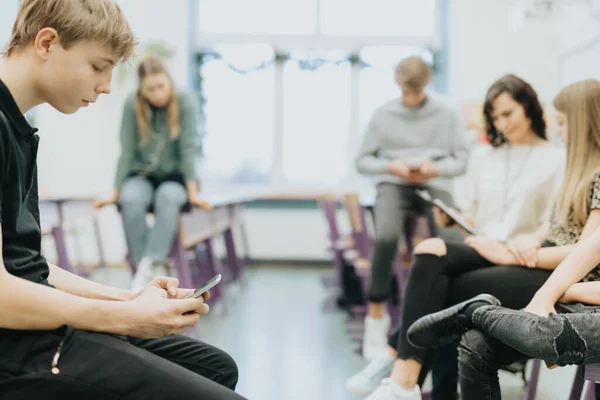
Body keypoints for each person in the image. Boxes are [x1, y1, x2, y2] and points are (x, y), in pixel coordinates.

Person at [0, 1, 243, 398]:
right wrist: (125, 317)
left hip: (39, 330)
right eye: (98, 66)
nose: (107, 86)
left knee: (216, 366)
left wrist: (131, 297)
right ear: (47, 43)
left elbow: (27, 266)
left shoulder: (16, 126)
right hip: (17, 348)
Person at [348, 74, 598, 400]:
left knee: (446, 289)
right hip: (529, 252)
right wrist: (528, 242)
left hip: (549, 267)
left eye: (563, 123)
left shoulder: (572, 167)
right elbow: (553, 228)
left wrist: (515, 252)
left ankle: (402, 373)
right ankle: (403, 376)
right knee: (430, 250)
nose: (559, 130)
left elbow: (585, 250)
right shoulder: (574, 170)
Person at [356, 55, 470, 361]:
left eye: (416, 90)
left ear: (427, 83)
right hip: (393, 182)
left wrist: (436, 168)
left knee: (453, 239)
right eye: (406, 90)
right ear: (397, 84)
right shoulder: (382, 114)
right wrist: (389, 164)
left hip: (433, 181)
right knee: (385, 237)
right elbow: (362, 161)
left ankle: (454, 310)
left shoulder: (446, 114)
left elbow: (461, 160)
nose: (410, 97)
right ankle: (376, 314)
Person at [94, 55, 209, 291]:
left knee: (167, 197)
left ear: (169, 82)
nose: (157, 94)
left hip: (175, 178)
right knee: (130, 197)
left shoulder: (185, 101)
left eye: (161, 87)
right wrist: (114, 192)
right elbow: (126, 151)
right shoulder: (132, 104)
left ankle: (149, 266)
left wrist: (193, 192)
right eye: (150, 89)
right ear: (142, 91)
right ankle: (144, 268)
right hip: (142, 176)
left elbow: (189, 149)